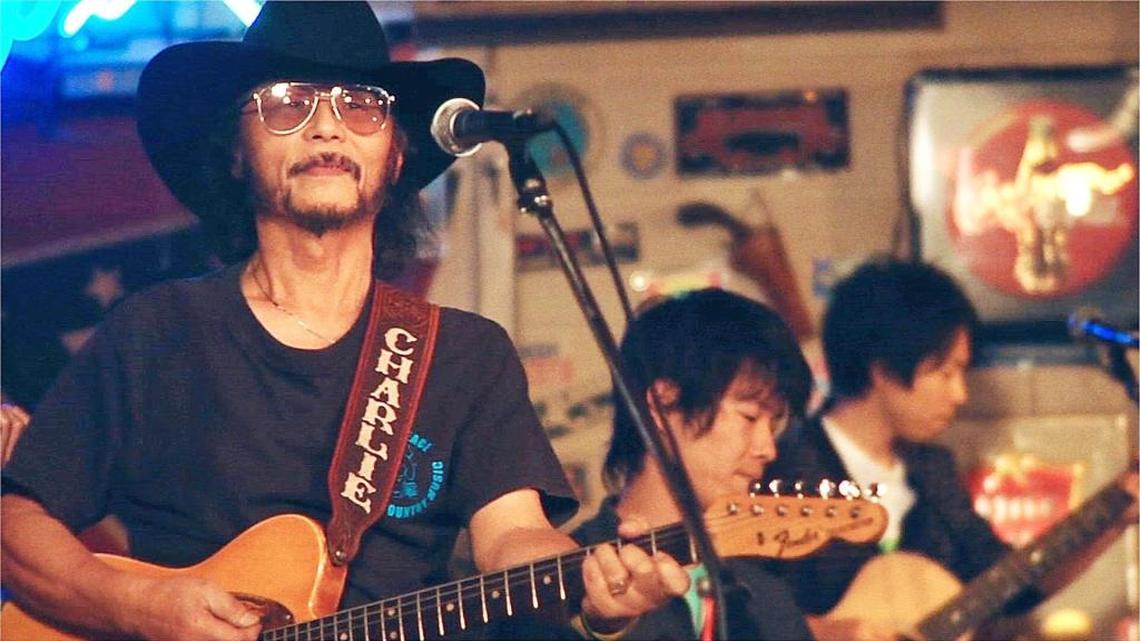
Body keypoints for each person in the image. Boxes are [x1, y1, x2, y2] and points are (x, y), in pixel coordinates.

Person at [0, 3, 688, 640]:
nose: (326, 126)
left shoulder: (465, 355)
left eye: (362, 105)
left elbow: (513, 537)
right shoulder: (155, 332)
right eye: (288, 104)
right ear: (237, 151)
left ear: (395, 154)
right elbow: (16, 518)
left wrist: (594, 587)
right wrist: (139, 605)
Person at [762, 257, 1138, 641]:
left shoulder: (931, 470)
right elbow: (733, 603)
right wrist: (820, 631)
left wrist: (1115, 516)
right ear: (883, 369)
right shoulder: (782, 469)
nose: (959, 395)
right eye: (944, 373)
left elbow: (1010, 584)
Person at [570, 288, 816, 640]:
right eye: (749, 417)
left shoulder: (767, 598)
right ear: (660, 403)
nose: (767, 448)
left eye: (774, 424)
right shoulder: (559, 581)